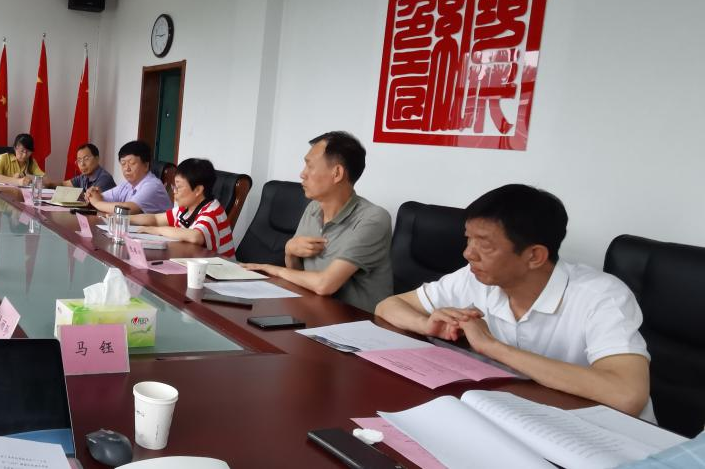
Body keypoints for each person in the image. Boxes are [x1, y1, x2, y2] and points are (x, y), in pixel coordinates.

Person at [374, 184, 654, 420]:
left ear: (534, 256)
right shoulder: (473, 278)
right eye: (468, 240)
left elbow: (627, 395)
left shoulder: (601, 296)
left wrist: (492, 347)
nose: (468, 254)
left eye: (484, 244)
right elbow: (388, 307)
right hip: (519, 415)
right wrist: (426, 324)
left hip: (605, 438)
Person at [240, 131, 391, 312]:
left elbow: (324, 285)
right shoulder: (313, 208)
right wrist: (290, 253)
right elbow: (299, 277)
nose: (302, 174)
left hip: (356, 321)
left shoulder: (373, 219)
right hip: (313, 310)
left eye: (309, 166)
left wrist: (273, 269)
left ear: (337, 173)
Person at [129, 158, 233, 257]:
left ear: (198, 190)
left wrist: (155, 230)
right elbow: (156, 219)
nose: (174, 191)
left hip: (220, 268)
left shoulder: (212, 211)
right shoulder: (186, 208)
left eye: (178, 187)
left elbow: (195, 236)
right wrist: (126, 218)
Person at [85, 140, 174, 215]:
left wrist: (97, 203)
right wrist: (92, 194)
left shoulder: (153, 185)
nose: (127, 169)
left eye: (132, 163)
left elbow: (127, 210)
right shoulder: (126, 185)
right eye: (123, 164)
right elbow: (101, 197)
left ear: (146, 165)